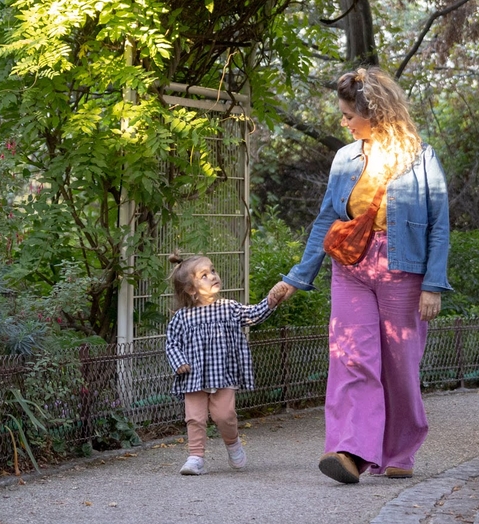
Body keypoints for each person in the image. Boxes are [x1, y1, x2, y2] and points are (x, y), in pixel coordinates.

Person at [273, 66, 451, 484]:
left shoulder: (420, 157)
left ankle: (400, 449)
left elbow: (440, 224)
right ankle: (351, 451)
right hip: (351, 266)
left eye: (349, 115)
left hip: (403, 268)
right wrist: (297, 277)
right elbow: (326, 220)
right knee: (351, 356)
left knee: (400, 364)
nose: (343, 122)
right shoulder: (344, 158)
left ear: (377, 112)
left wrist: (433, 284)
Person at [164, 253, 290, 475]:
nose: (213, 276)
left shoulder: (229, 307)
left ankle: (232, 444)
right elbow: (171, 343)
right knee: (194, 417)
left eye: (213, 271)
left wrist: (270, 302)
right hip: (192, 377)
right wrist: (179, 362)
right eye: (204, 275)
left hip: (223, 374)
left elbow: (253, 315)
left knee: (225, 415)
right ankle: (195, 457)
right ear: (191, 290)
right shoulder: (181, 318)